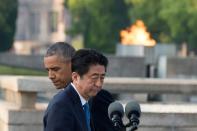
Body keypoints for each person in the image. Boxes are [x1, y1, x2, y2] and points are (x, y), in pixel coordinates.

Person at [43, 42, 116, 131]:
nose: (50, 76)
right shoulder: (61, 104)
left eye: (55, 69)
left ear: (72, 65)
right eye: (48, 70)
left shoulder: (98, 97)